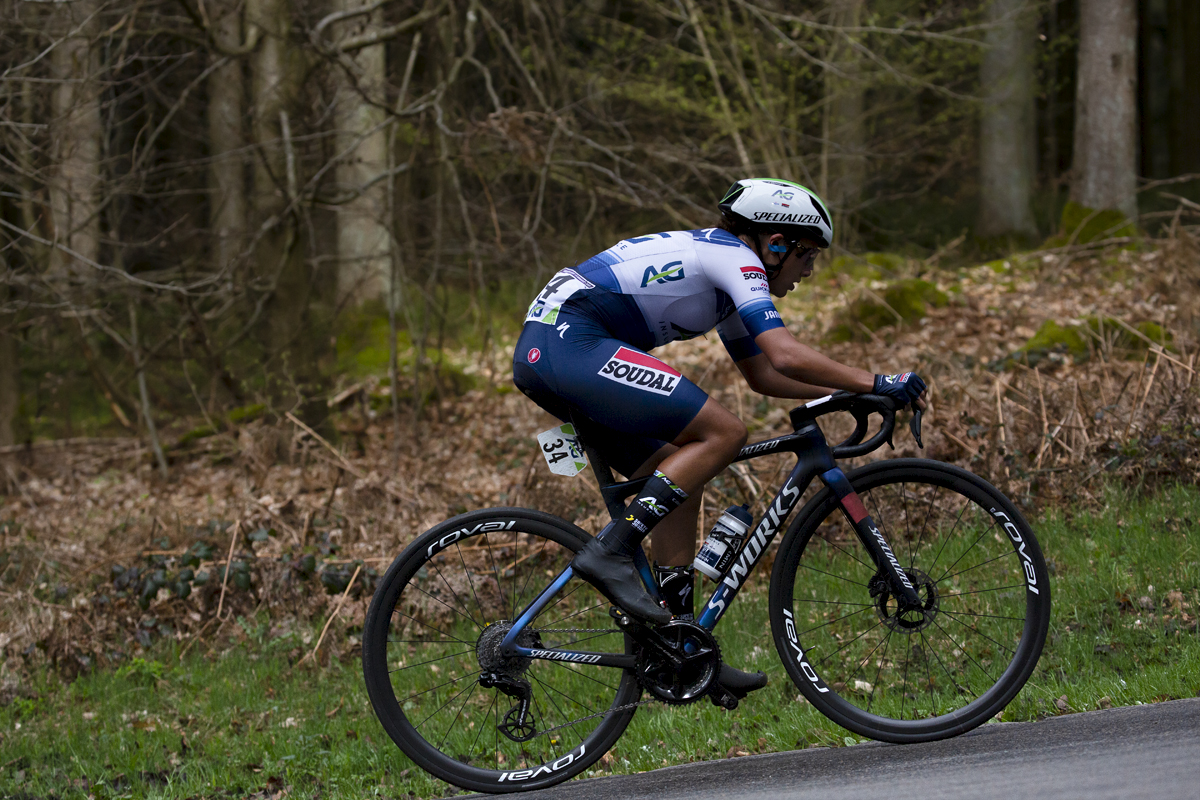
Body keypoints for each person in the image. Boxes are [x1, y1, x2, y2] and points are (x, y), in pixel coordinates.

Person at [512, 178, 927, 699]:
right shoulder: (736, 259)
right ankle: (609, 553)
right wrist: (877, 381)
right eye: (807, 255)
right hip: (568, 340)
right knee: (725, 432)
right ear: (775, 244)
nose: (810, 270)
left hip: (555, 348)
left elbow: (764, 375)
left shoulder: (723, 272)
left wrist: (845, 395)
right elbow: (786, 355)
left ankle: (679, 645)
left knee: (681, 474)